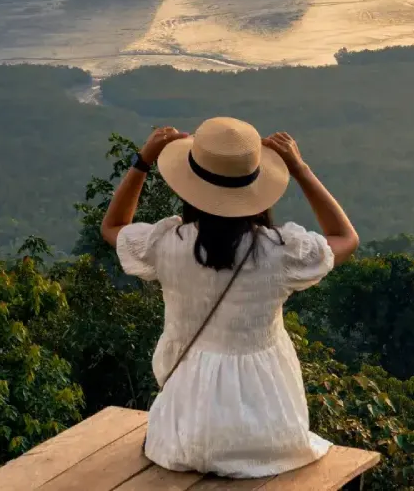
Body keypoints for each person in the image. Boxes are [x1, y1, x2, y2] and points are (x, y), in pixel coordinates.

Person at [100, 117, 359, 478]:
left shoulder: (165, 246)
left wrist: (143, 162)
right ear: (257, 189)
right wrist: (299, 169)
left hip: (184, 434)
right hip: (270, 435)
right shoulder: (280, 252)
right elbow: (345, 237)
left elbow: (112, 226)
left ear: (189, 187)